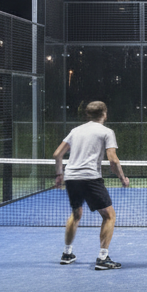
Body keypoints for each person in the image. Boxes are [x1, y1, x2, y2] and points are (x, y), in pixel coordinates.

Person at [53, 100, 129, 270]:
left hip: (71, 177)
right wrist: (122, 178)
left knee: (76, 214)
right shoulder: (106, 132)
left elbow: (57, 154)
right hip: (90, 178)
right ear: (105, 114)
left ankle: (67, 254)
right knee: (109, 215)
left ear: (88, 114)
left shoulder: (75, 131)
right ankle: (103, 258)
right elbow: (113, 160)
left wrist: (59, 174)